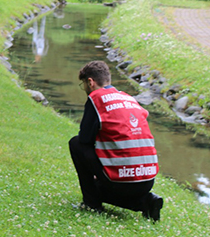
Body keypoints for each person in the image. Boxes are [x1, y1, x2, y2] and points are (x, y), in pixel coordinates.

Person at [68, 61, 164, 221]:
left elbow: (85, 139)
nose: (84, 88)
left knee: (76, 144)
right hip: (147, 180)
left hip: (120, 179)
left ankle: (91, 204)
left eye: (83, 84)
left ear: (90, 82)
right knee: (106, 186)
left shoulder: (96, 98)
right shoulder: (128, 98)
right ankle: (146, 202)